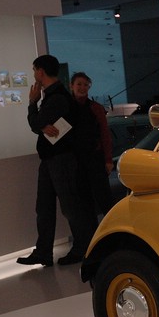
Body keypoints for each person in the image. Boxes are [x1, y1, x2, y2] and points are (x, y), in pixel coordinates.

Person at [17, 55, 97, 267]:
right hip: (51, 159)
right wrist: (42, 125)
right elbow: (41, 125)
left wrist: (33, 104)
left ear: (41, 71)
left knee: (70, 206)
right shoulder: (56, 96)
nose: (34, 74)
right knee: (44, 207)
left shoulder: (57, 97)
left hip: (60, 159)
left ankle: (82, 249)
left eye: (35, 70)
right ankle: (43, 252)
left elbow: (36, 124)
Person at [70, 72, 114, 217]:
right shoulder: (66, 107)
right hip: (76, 161)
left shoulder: (96, 108)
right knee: (83, 201)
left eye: (85, 85)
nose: (82, 88)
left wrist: (108, 160)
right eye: (79, 84)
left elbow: (105, 135)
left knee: (105, 198)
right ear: (72, 86)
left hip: (95, 159)